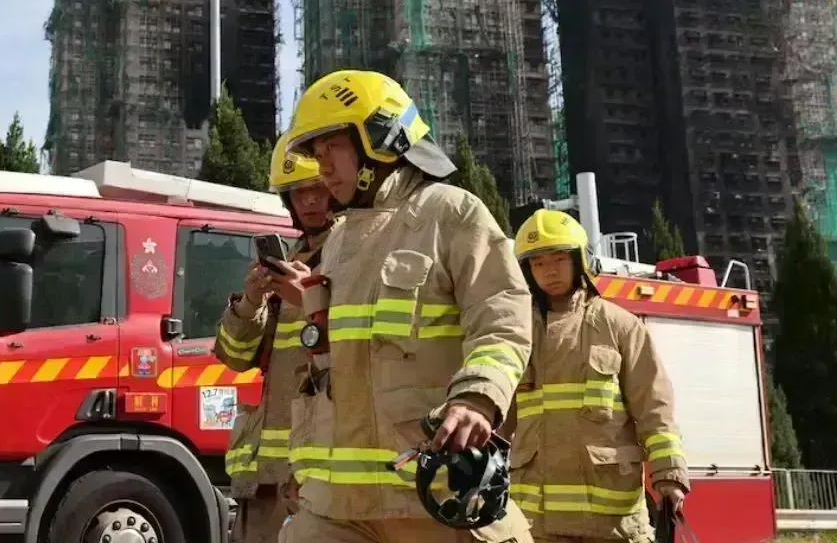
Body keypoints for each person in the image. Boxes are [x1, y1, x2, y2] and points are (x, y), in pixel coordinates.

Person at [273, 69, 534, 543]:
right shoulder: (337, 243)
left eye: (331, 146)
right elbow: (328, 372)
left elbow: (503, 316)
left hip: (433, 494)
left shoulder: (450, 213)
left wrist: (476, 397)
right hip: (336, 505)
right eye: (315, 153)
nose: (321, 166)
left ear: (381, 136)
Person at [508, 209, 689, 543]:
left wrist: (669, 475)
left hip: (610, 521)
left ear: (580, 260)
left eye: (559, 258)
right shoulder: (516, 333)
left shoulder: (620, 326)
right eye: (538, 263)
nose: (549, 270)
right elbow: (496, 417)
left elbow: (654, 407)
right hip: (536, 521)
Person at [215, 135, 340, 543]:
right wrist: (252, 301)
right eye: (298, 193)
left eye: (318, 190)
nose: (309, 202)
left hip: (322, 462)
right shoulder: (291, 262)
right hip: (269, 470)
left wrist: (312, 299)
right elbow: (234, 357)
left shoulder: (352, 255)